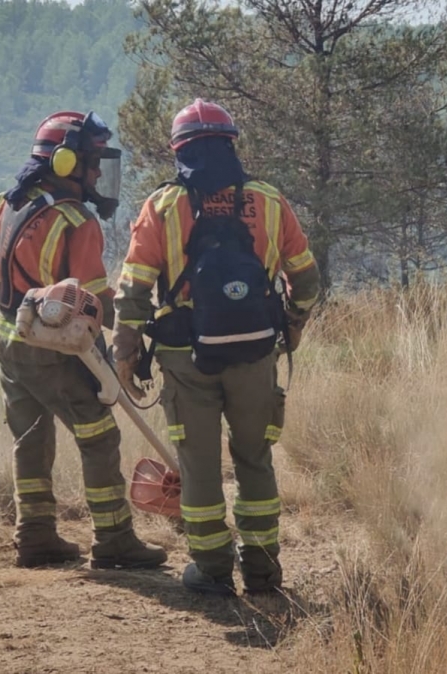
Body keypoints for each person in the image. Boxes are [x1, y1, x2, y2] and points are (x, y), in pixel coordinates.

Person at [112, 99, 321, 596]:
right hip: (256, 353)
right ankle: (263, 571)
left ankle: (211, 571)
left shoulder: (163, 206)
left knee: (199, 467)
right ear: (231, 145)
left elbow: (134, 290)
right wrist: (293, 324)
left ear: (178, 150)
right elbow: (306, 279)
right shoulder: (269, 202)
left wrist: (125, 354)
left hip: (186, 360)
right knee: (255, 459)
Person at [0, 110, 169, 570]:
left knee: (30, 438)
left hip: (7, 339)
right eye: (92, 163)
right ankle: (114, 539)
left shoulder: (5, 204)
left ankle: (35, 537)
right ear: (65, 162)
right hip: (54, 352)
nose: (98, 175)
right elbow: (98, 299)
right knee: (99, 435)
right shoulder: (76, 221)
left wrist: (9, 281)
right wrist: (138, 330)